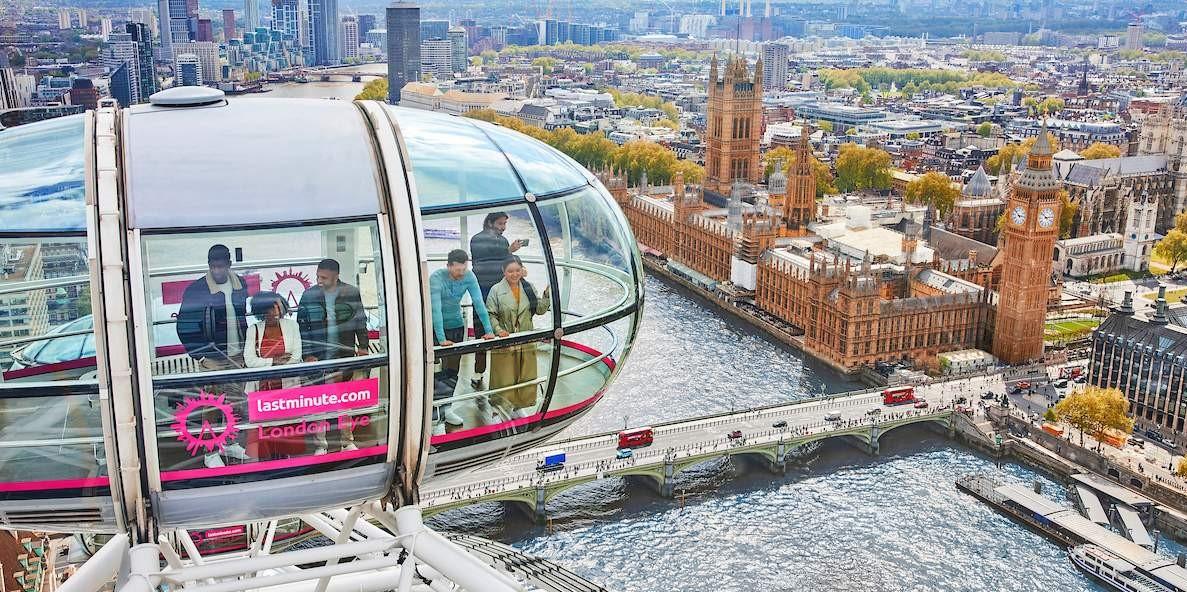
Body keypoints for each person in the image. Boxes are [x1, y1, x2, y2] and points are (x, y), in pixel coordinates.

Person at [175, 244, 251, 468]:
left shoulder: (240, 284)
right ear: (209, 266)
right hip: (211, 358)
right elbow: (184, 326)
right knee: (211, 406)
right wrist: (199, 356)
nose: (217, 271)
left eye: (221, 266)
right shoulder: (196, 290)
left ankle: (229, 443)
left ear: (229, 265)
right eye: (213, 267)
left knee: (236, 403)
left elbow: (243, 317)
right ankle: (210, 452)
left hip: (237, 355)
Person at [297, 259, 370, 453]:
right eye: (317, 276)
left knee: (344, 402)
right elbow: (302, 326)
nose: (319, 280)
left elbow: (360, 321)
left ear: (336, 276)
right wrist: (307, 354)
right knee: (320, 403)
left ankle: (347, 442)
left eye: (324, 277)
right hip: (318, 358)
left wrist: (363, 346)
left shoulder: (350, 292)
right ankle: (321, 445)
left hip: (343, 354)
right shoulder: (309, 295)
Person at [429, 249, 495, 431]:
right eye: (457, 270)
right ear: (448, 266)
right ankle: (431, 413)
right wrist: (441, 339)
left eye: (463, 270)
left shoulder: (469, 276)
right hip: (434, 328)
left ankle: (446, 408)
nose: (460, 274)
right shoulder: (436, 278)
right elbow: (435, 310)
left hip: (456, 326)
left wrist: (489, 330)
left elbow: (479, 302)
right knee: (431, 370)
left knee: (452, 371)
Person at [485, 256, 550, 419]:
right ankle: (500, 405)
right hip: (505, 339)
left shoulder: (528, 288)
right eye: (510, 271)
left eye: (517, 270)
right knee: (504, 375)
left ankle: (518, 405)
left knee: (524, 373)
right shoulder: (496, 290)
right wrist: (499, 330)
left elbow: (540, 310)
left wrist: (547, 295)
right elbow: (490, 314)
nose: (514, 274)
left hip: (526, 338)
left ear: (522, 270)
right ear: (503, 272)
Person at [243, 291, 304, 459]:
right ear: (260, 311)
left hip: (287, 388)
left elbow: (296, 357)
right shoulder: (253, 330)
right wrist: (274, 362)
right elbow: (250, 360)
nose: (273, 312)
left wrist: (267, 361)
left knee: (287, 430)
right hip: (262, 391)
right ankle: (267, 462)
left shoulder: (292, 326)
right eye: (269, 309)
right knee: (265, 432)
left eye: (276, 308)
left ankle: (287, 460)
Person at [469, 212, 524, 390]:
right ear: (491, 223)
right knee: (495, 331)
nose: (503, 228)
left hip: (487, 293)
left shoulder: (482, 240)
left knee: (486, 332)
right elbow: (496, 259)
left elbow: (497, 261)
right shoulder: (491, 241)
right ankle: (497, 374)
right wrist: (509, 251)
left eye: (504, 224)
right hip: (493, 293)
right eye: (500, 224)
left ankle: (480, 373)